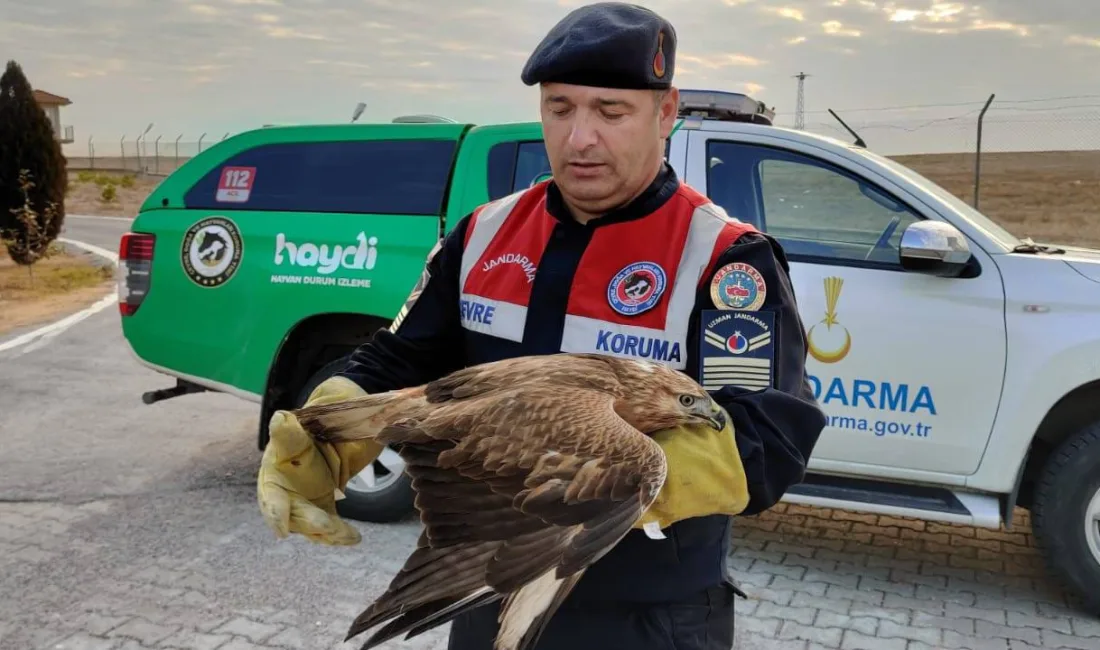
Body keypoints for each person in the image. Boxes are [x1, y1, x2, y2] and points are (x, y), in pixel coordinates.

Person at [256, 2, 828, 649]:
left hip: (647, 617)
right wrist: (328, 431)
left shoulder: (725, 260)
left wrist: (594, 483)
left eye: (611, 112)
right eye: (560, 108)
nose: (580, 137)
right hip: (492, 587)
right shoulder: (481, 234)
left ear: (665, 114)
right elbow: (397, 362)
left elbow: (765, 443)